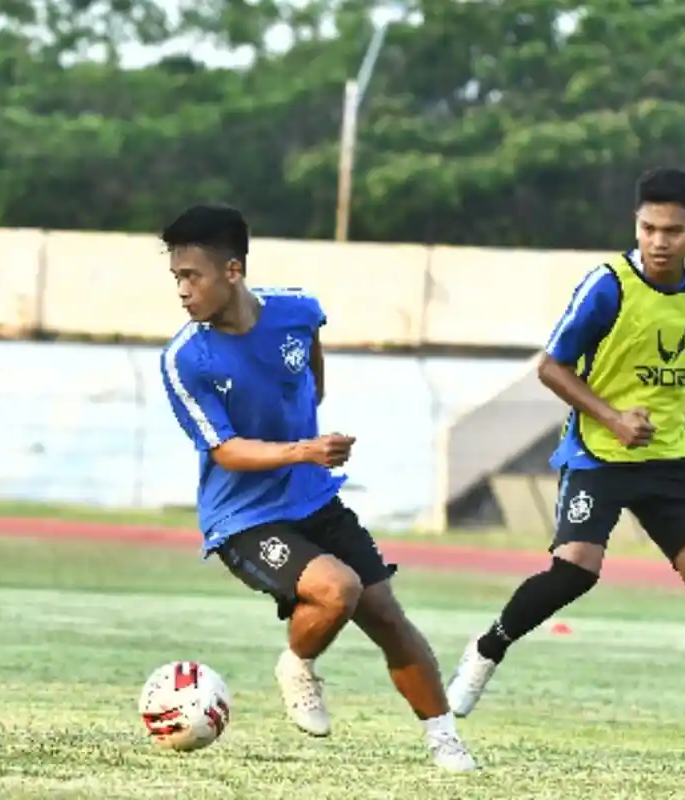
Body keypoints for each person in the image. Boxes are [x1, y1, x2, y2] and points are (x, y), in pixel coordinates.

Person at [445, 168, 685, 767]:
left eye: (673, 231)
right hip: (600, 453)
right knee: (575, 572)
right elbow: (551, 366)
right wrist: (613, 418)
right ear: (635, 225)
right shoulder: (607, 285)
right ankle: (486, 649)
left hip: (667, 460)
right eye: (648, 229)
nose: (659, 242)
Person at [158, 204, 477, 772]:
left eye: (192, 276)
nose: (182, 290)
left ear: (233, 270)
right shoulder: (187, 359)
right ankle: (296, 663)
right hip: (245, 519)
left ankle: (445, 740)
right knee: (338, 590)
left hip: (314, 499)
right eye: (176, 277)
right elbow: (225, 450)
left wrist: (308, 447)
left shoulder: (298, 311)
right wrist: (303, 450)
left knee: (387, 616)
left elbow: (311, 375)